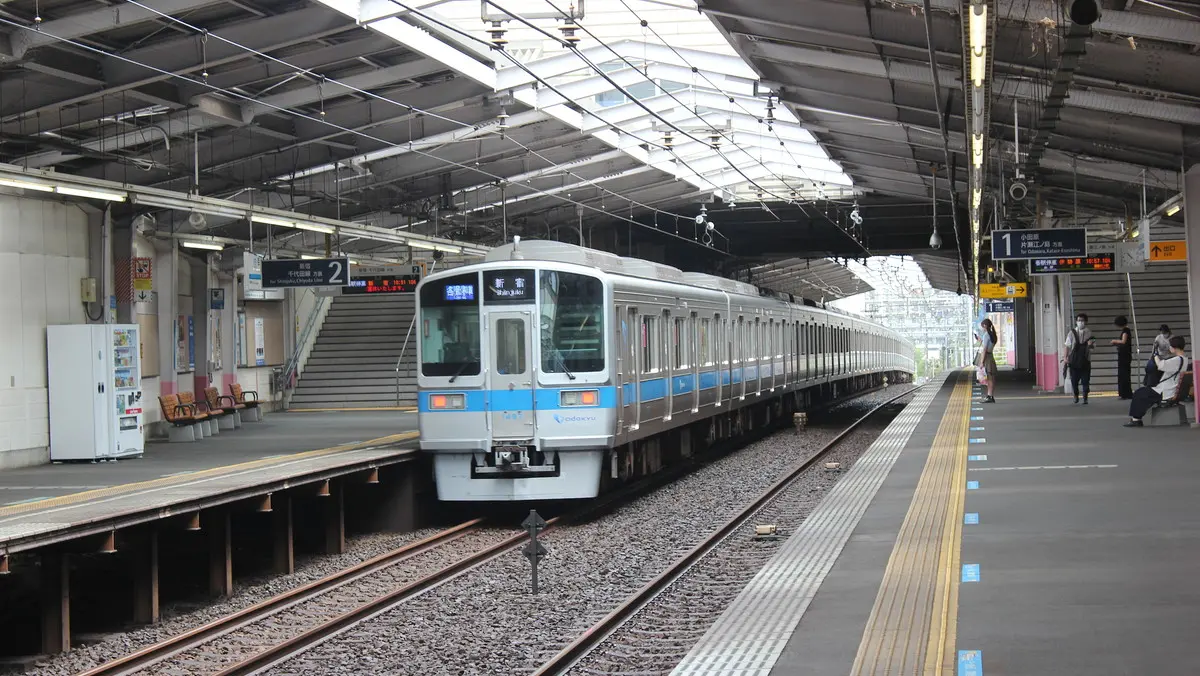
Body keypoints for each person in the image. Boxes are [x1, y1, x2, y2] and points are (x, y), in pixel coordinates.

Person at [1124, 335, 1188, 427]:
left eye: (1170, 346)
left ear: (1175, 347)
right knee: (1145, 393)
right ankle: (1136, 418)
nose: (1169, 348)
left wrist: (1155, 356)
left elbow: (1161, 365)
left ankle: (1136, 419)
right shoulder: (1184, 359)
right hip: (1172, 389)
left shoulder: (1177, 360)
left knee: (1139, 393)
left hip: (1166, 391)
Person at [1063, 313, 1095, 405]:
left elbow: (1093, 348)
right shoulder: (1072, 333)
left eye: (1082, 320)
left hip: (1085, 360)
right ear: (1076, 322)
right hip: (1074, 361)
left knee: (1085, 380)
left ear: (1086, 322)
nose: (1080, 322)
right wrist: (1065, 357)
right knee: (1074, 381)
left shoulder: (1089, 333)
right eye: (1079, 320)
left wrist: (1090, 345)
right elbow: (1067, 346)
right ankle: (1076, 395)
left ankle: (1085, 397)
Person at [1110, 316, 1133, 399]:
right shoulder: (1127, 330)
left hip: (1124, 356)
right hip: (1125, 355)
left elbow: (1123, 341)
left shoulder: (1125, 331)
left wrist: (1114, 341)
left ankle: (1125, 393)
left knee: (1123, 374)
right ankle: (1125, 393)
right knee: (1124, 374)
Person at [977, 318, 998, 403]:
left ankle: (990, 396)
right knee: (991, 377)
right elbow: (988, 345)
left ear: (985, 326)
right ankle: (990, 396)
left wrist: (982, 362)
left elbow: (985, 349)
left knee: (989, 378)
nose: (982, 328)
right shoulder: (993, 334)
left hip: (987, 358)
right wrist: (981, 341)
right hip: (991, 356)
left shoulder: (986, 335)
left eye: (982, 326)